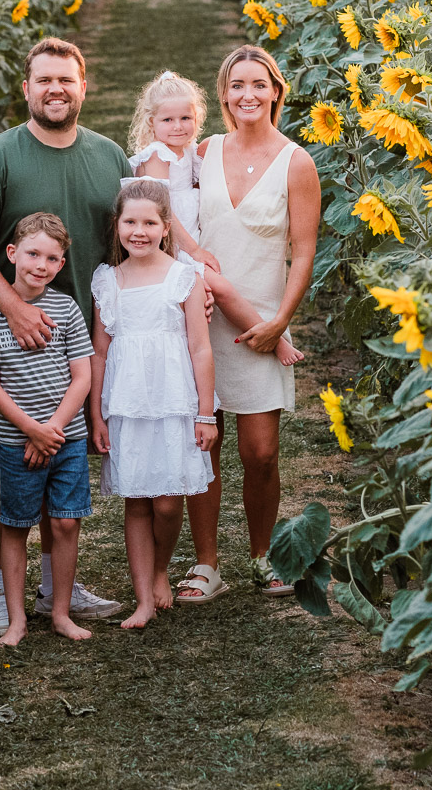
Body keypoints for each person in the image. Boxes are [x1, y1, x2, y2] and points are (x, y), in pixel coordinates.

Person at [0, 37, 129, 632]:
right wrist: (14, 308)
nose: (56, 90)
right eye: (44, 80)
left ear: (83, 87)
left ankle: (55, 588)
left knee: (65, 454)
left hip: (85, 340)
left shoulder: (109, 157)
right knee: (6, 460)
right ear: (26, 88)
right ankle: (1, 589)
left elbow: (134, 235)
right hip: (15, 339)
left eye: (66, 81)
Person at [178, 45, 321, 603]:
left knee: (260, 453)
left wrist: (280, 320)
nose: (247, 95)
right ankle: (207, 563)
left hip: (262, 319)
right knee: (203, 443)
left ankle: (265, 556)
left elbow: (304, 252)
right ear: (223, 95)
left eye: (258, 85)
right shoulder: (205, 151)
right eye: (236, 86)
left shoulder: (296, 162)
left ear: (276, 92)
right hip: (202, 319)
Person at [87, 179, 217, 629]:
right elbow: (100, 352)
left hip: (173, 400)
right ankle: (143, 596)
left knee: (166, 501)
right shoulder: (107, 281)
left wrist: (205, 412)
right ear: (117, 225)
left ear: (165, 227)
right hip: (126, 402)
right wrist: (96, 413)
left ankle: (162, 567)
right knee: (137, 500)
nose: (138, 231)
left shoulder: (185, 278)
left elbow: (200, 349)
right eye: (129, 222)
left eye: (148, 222)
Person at [0, 213, 95, 646]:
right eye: (33, 254)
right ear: (12, 254)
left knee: (64, 524)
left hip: (67, 438)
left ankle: (59, 611)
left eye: (51, 258)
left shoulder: (67, 308)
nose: (40, 265)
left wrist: (54, 428)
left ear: (61, 265)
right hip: (17, 441)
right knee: (16, 524)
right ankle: (16, 619)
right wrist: (30, 430)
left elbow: (82, 376)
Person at [126, 70, 303, 368]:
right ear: (151, 123)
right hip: (172, 246)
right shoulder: (157, 156)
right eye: (167, 120)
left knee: (207, 298)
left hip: (192, 240)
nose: (178, 127)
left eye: (186, 118)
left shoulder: (192, 153)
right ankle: (274, 340)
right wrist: (194, 251)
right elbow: (161, 211)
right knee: (220, 288)